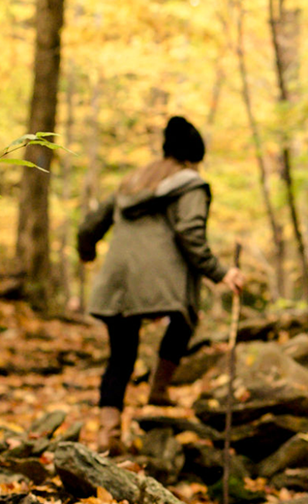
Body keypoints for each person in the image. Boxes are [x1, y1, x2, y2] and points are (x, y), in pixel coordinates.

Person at [78, 116, 244, 455]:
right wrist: (220, 272)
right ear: (194, 156)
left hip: (118, 282)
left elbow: (90, 225)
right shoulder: (191, 184)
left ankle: (108, 435)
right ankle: (159, 388)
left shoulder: (132, 181)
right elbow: (190, 232)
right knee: (185, 318)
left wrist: (87, 251)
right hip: (160, 282)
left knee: (120, 356)